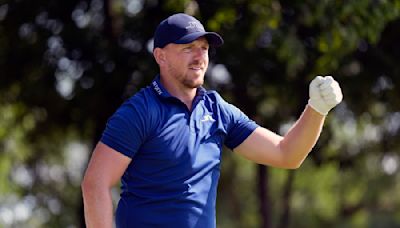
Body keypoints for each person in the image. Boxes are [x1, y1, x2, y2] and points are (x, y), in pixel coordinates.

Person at [81, 13, 343, 228]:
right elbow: (95, 184)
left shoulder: (218, 110)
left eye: (204, 48)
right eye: (188, 48)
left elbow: (287, 154)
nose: (199, 57)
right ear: (160, 56)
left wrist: (316, 109)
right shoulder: (139, 112)